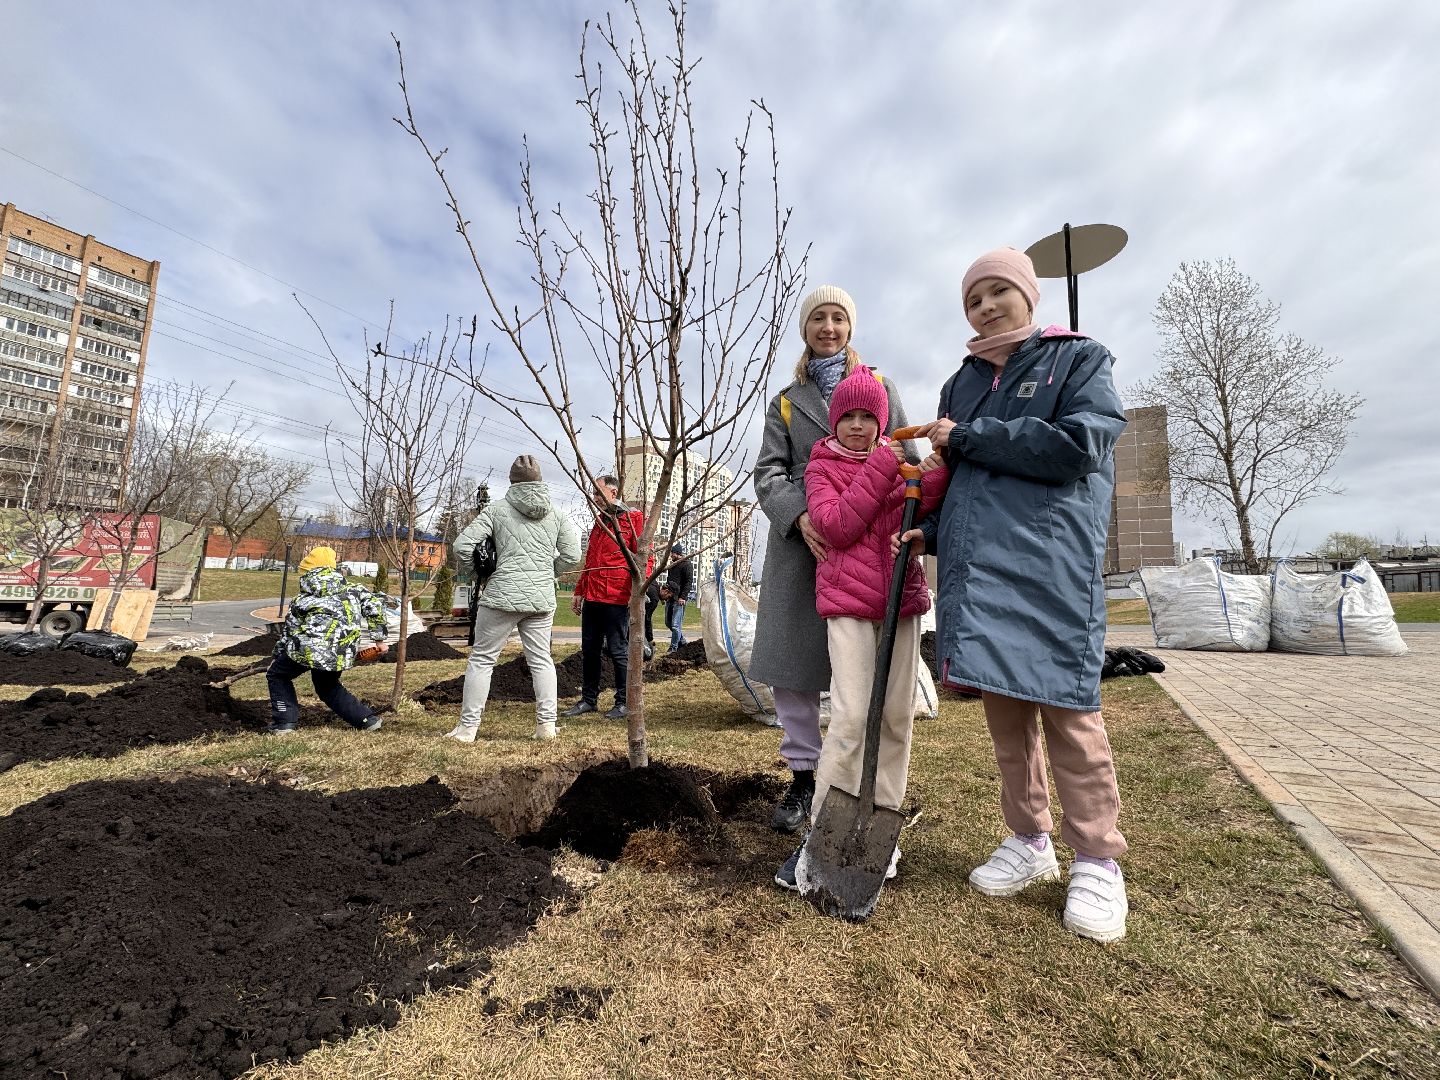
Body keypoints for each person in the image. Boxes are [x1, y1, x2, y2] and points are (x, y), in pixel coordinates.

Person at [903, 247, 1131, 942]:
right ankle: (1030, 840)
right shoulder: (960, 383)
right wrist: (930, 532)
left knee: (1068, 713)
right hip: (983, 574)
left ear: (1029, 296)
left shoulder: (1078, 359)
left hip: (1049, 566)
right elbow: (966, 480)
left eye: (999, 292)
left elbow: (1079, 446)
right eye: (974, 299)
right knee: (1007, 720)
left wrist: (971, 435)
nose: (987, 307)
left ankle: (1096, 858)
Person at [772, 366, 948, 890]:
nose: (856, 425)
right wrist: (880, 467)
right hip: (848, 606)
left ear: (881, 420)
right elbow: (837, 526)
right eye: (846, 415)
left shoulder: (901, 463)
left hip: (902, 603)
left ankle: (880, 834)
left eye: (867, 417)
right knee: (849, 720)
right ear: (833, 420)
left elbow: (929, 496)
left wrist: (944, 455)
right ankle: (823, 835)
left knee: (897, 718)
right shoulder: (821, 468)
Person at [750, 285, 913, 833]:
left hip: (868, 539)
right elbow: (769, 471)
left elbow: (905, 454)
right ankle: (803, 776)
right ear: (805, 328)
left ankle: (866, 780)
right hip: (804, 542)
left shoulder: (880, 386)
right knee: (793, 662)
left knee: (867, 668)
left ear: (851, 326)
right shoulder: (787, 400)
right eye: (818, 317)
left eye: (838, 317)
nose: (828, 327)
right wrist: (799, 518)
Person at [446, 455, 581, 742]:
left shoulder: (496, 511)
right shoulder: (556, 514)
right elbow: (572, 555)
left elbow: (461, 546)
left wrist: (480, 574)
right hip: (540, 600)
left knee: (482, 660)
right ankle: (546, 726)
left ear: (511, 481)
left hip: (500, 597)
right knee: (542, 661)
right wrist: (548, 573)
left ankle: (468, 729)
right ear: (540, 481)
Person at [266, 546, 388, 735]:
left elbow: (289, 631)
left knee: (278, 675)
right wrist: (379, 640)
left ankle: (284, 722)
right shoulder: (354, 589)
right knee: (327, 686)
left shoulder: (301, 599)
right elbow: (375, 607)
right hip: (340, 651)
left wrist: (278, 655)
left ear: (307, 573)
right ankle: (367, 720)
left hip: (306, 648)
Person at [564, 474, 649, 720]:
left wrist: (639, 591)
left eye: (598, 493)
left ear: (613, 492)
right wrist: (580, 590)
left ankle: (623, 702)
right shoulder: (600, 523)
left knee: (618, 649)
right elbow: (591, 560)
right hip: (593, 596)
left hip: (617, 597)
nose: (594, 498)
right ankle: (589, 699)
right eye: (593, 493)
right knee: (590, 650)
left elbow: (645, 557)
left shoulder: (633, 519)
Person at [662, 543, 692, 652]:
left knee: (675, 625)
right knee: (668, 623)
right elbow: (670, 581)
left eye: (672, 553)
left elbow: (689, 582)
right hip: (670, 598)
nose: (670, 555)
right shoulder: (673, 565)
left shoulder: (686, 564)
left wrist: (683, 597)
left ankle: (673, 648)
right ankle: (682, 641)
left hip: (679, 599)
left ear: (677, 553)